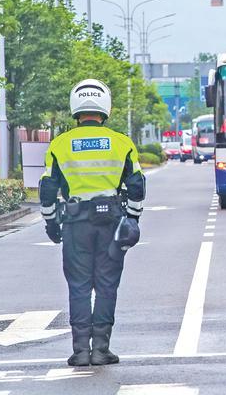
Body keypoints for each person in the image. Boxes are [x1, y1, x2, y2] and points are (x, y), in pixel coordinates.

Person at [39, 79, 146, 366]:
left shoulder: (59, 145)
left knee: (79, 287)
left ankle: (80, 351)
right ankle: (101, 349)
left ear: (76, 107)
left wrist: (51, 223)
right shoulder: (122, 143)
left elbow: (48, 188)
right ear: (105, 107)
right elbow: (136, 185)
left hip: (75, 226)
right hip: (111, 225)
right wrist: (132, 220)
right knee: (107, 285)